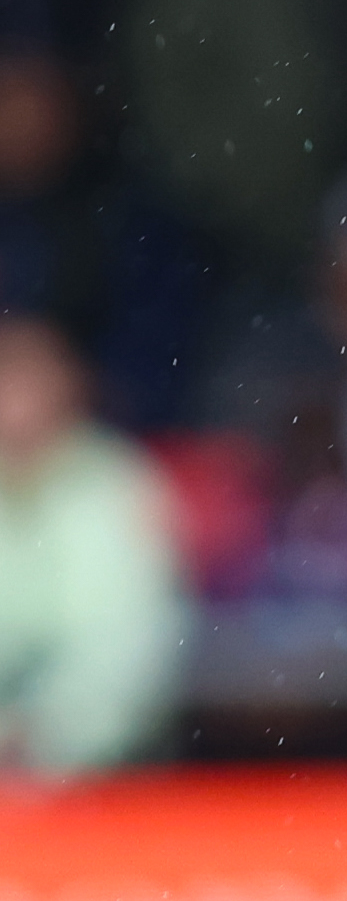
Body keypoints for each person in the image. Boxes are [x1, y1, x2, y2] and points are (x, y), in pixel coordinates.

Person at [0, 309, 184, 772]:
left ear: (68, 385)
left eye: (28, 379)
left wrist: (48, 737)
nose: (14, 399)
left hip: (105, 777)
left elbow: (132, 644)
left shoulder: (118, 485)